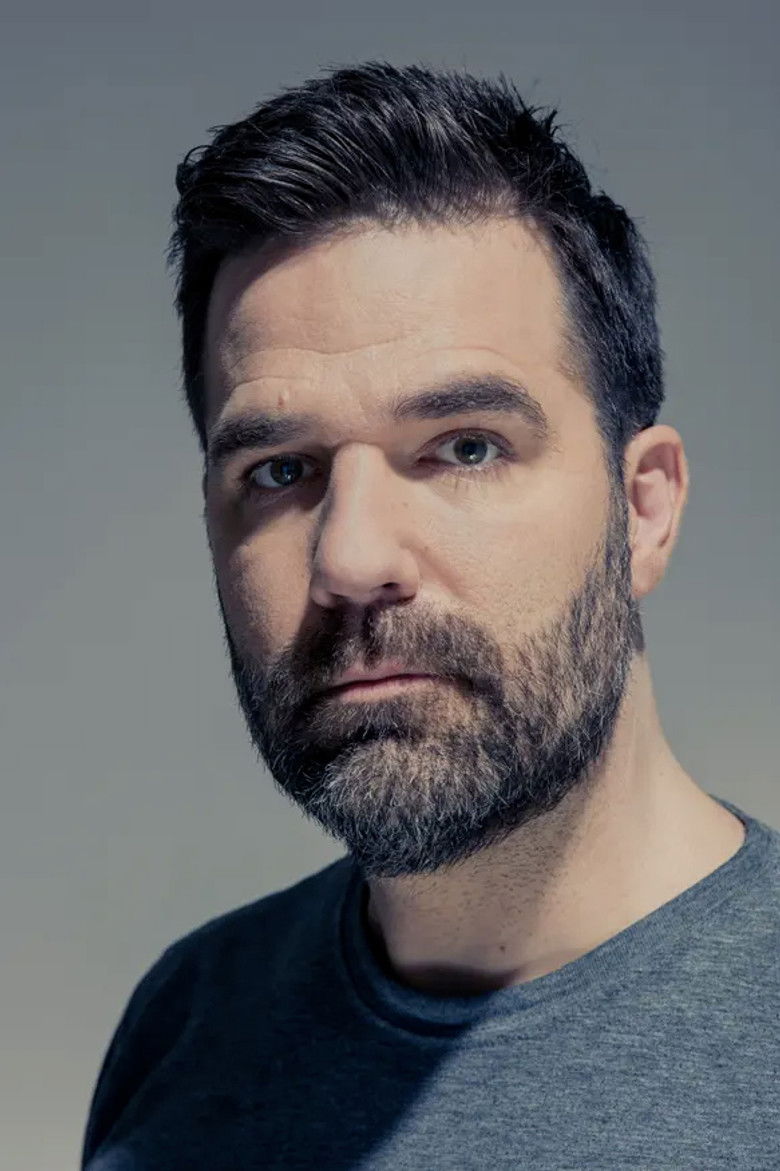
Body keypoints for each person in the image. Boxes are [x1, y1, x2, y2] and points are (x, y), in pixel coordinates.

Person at [81, 60, 780, 1170]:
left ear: (643, 511)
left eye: (465, 448)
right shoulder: (187, 1023)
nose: (352, 558)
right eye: (279, 470)